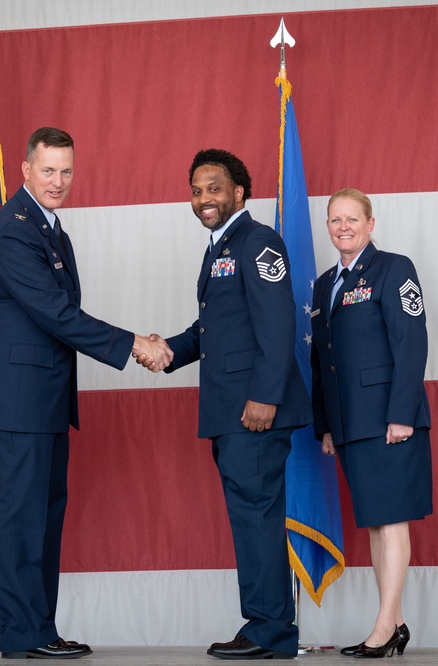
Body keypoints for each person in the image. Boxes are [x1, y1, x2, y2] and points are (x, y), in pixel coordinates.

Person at [0, 127, 172, 659]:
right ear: (26, 170)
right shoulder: (12, 232)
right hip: (15, 404)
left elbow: (60, 318)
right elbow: (57, 315)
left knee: (43, 519)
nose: (58, 181)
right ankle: (21, 636)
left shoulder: (51, 232)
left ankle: (42, 630)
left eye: (66, 171)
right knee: (18, 522)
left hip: (44, 402)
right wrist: (134, 345)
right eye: (49, 170)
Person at [157, 148, 311, 660]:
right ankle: (263, 625)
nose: (204, 198)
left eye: (215, 187)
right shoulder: (218, 247)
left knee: (258, 517)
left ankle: (271, 631)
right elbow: (213, 329)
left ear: (239, 191)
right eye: (197, 189)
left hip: (254, 413)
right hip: (230, 413)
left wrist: (265, 397)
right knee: (249, 518)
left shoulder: (257, 241)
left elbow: (278, 322)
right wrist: (166, 352)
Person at [309, 188, 433, 658]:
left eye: (352, 220)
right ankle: (395, 623)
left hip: (388, 420)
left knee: (392, 522)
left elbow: (411, 342)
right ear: (328, 226)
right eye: (335, 220)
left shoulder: (394, 269)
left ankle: (382, 628)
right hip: (350, 425)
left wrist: (402, 414)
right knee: (377, 526)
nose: (343, 227)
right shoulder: (324, 285)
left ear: (370, 223)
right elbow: (323, 361)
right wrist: (326, 425)